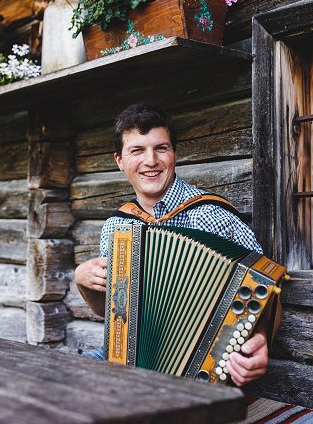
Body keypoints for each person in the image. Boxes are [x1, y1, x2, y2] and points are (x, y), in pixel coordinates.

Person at [75, 102, 276, 387]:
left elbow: (262, 285)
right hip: (125, 361)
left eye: (161, 148)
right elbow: (113, 309)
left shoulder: (212, 215)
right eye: (137, 150)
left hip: (199, 370)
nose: (151, 160)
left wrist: (259, 338)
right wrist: (82, 280)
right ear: (119, 161)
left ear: (174, 154)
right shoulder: (116, 227)